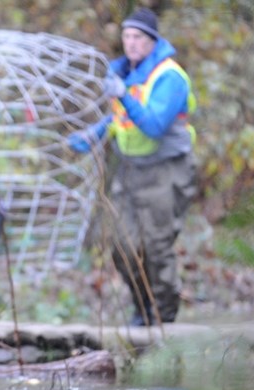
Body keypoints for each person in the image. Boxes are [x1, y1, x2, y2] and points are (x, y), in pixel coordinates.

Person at [68, 8, 197, 327]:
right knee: (122, 249)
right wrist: (91, 136)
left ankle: (164, 317)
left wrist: (123, 95)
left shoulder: (169, 77)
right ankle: (143, 309)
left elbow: (152, 125)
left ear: (152, 40)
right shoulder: (123, 73)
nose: (131, 43)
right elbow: (118, 120)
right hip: (131, 171)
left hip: (166, 171)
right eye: (126, 36)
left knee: (156, 246)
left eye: (138, 37)